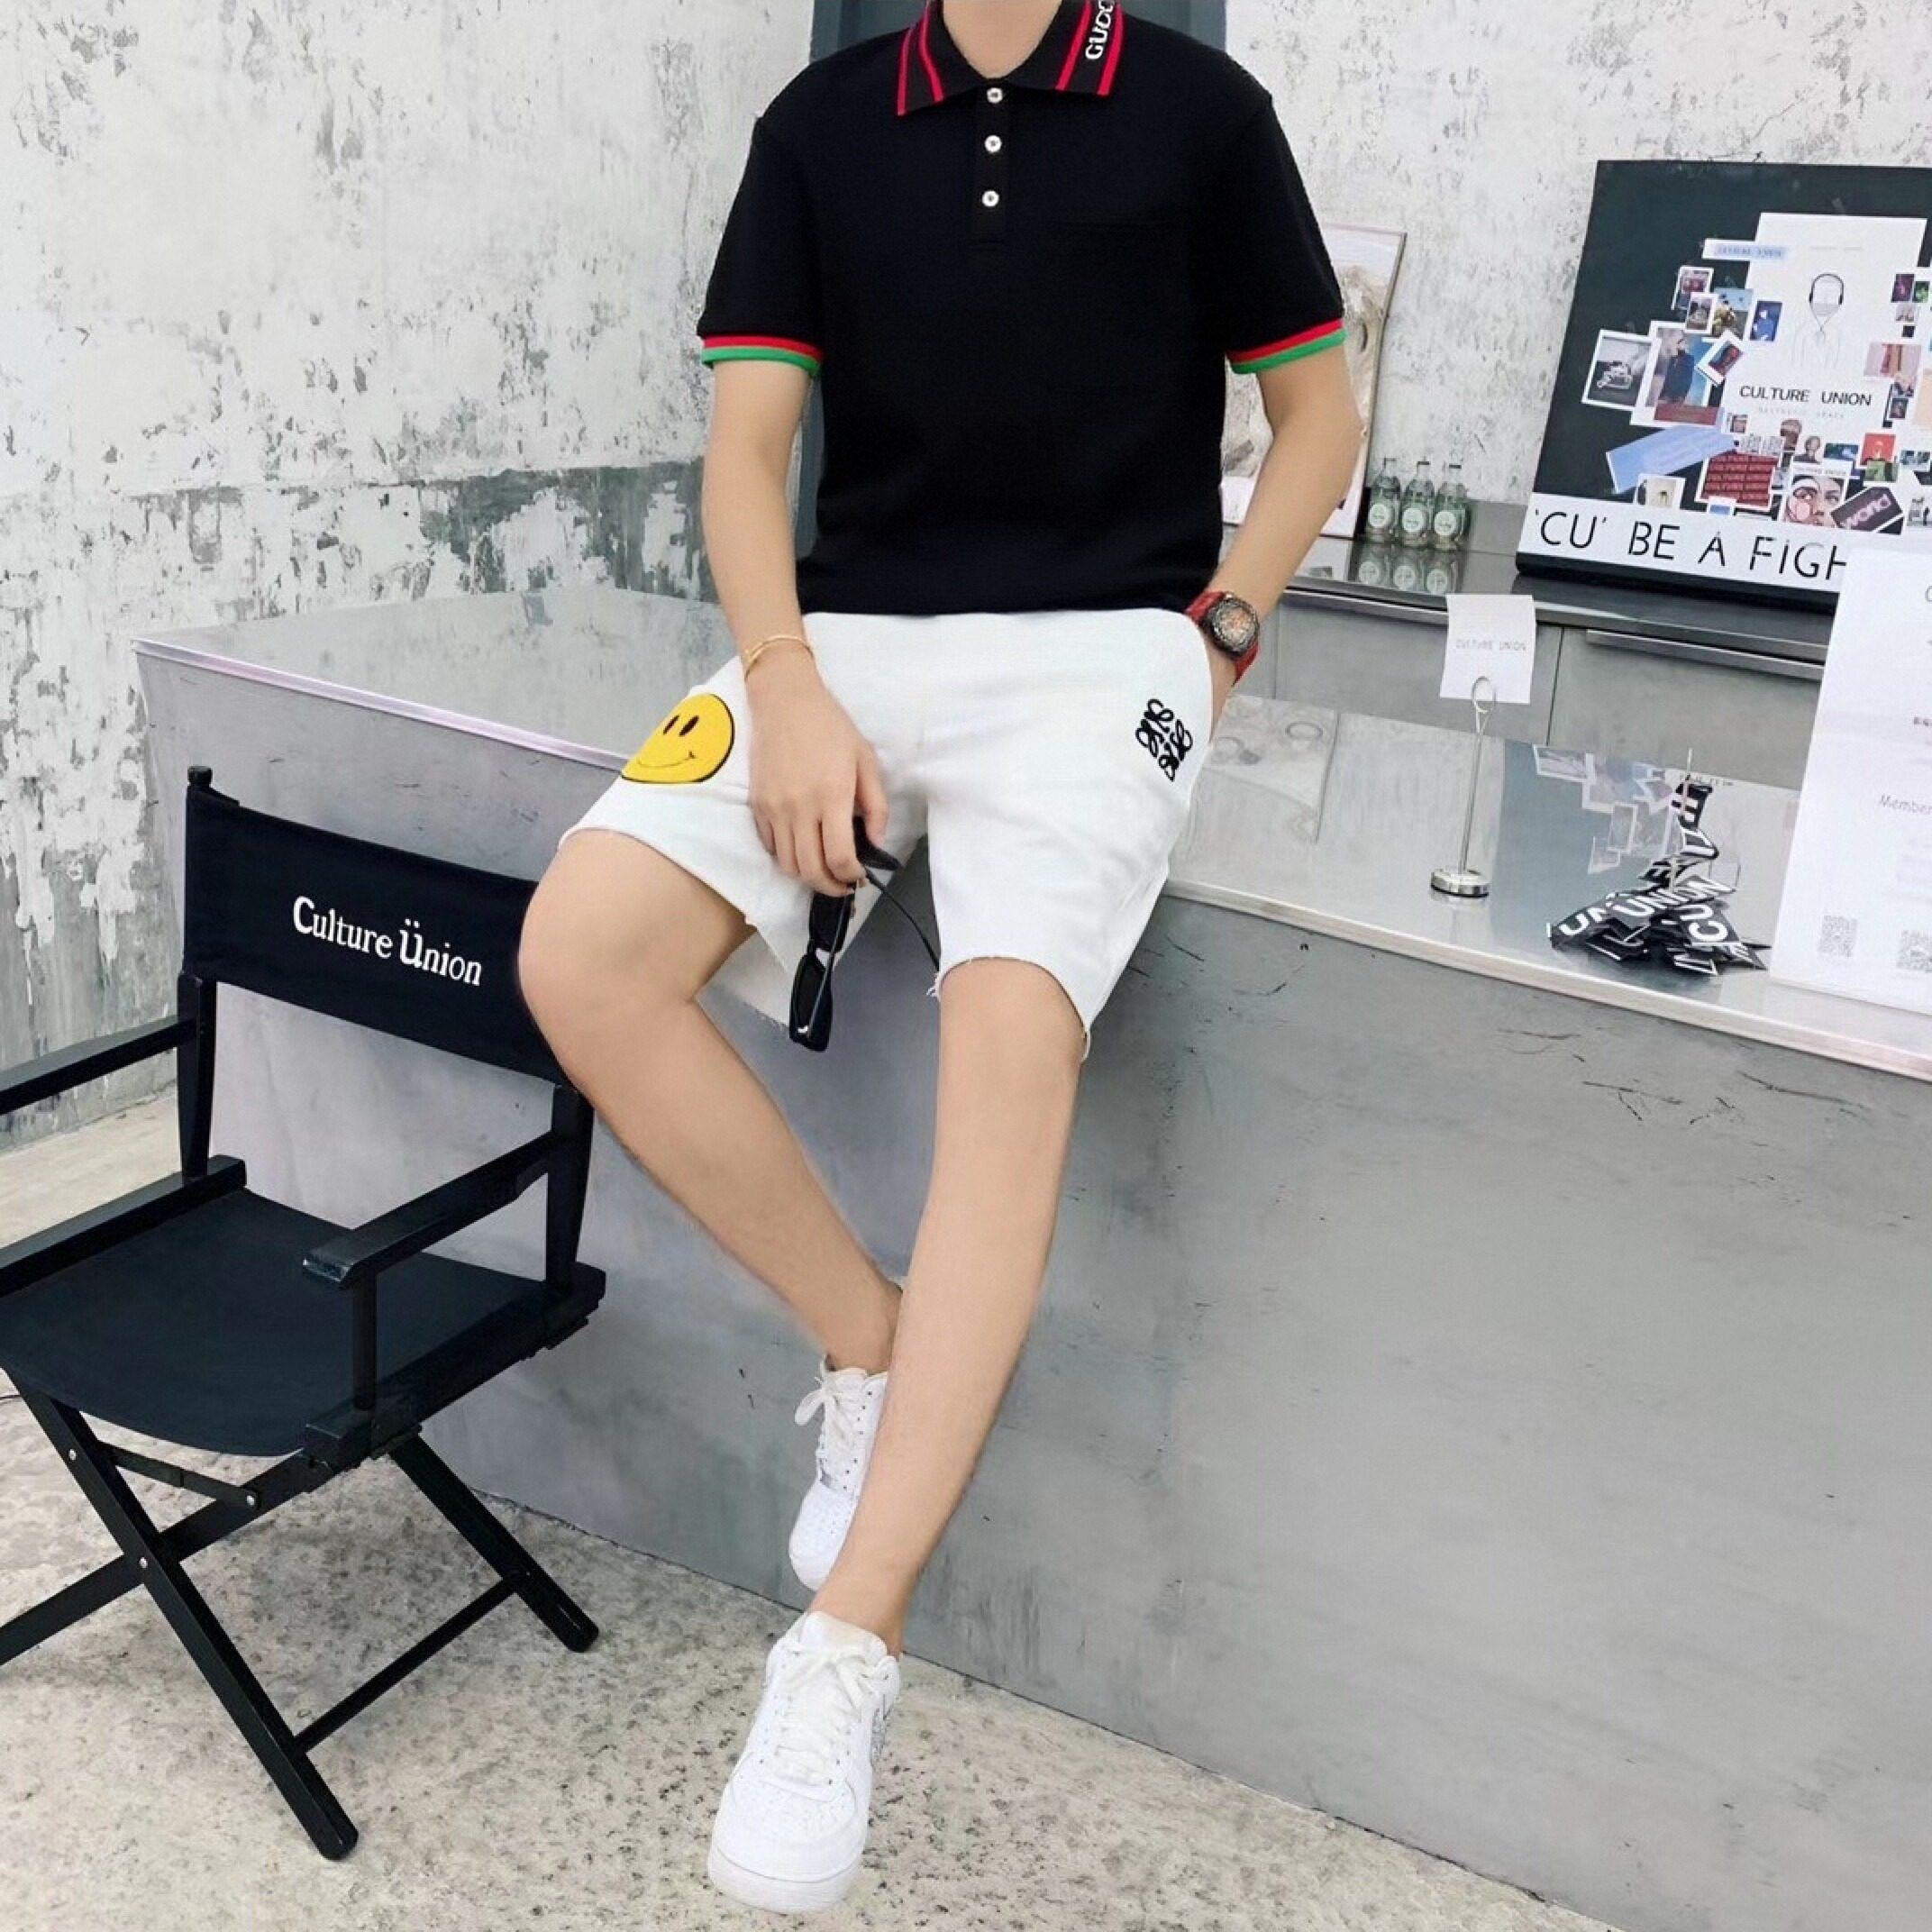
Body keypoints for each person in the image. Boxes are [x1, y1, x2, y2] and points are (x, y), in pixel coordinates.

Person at [516, 0, 1362, 1912]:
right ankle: (870, 1339)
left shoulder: (1200, 111)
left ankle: (845, 1647)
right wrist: (789, 679)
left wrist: (1222, 630)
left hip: (1110, 652)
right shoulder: (818, 126)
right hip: (848, 643)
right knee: (581, 949)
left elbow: (1318, 413)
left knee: (1009, 1038)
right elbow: (749, 455)